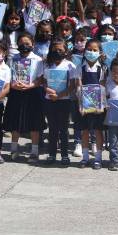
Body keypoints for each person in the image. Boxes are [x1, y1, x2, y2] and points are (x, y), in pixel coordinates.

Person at [3, 32, 45, 163]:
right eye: (21, 43)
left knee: (34, 123)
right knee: (15, 122)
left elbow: (40, 78)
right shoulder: (12, 58)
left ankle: (34, 151)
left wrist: (31, 86)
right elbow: (7, 75)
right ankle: (14, 149)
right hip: (16, 92)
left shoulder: (38, 60)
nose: (24, 46)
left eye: (27, 43)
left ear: (33, 44)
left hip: (33, 93)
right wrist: (12, 85)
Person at [42, 38, 78, 166]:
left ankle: (64, 155)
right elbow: (44, 81)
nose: (57, 52)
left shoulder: (70, 65)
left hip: (64, 100)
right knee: (52, 128)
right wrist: (48, 90)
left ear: (65, 51)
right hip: (50, 100)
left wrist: (60, 95)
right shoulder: (47, 65)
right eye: (55, 49)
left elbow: (73, 85)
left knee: (63, 129)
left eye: (60, 50)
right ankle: (51, 154)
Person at [75, 39, 107, 169]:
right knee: (85, 131)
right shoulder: (80, 67)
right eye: (89, 49)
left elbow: (103, 87)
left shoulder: (103, 68)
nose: (92, 52)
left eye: (95, 50)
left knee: (98, 131)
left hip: (98, 106)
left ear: (100, 53)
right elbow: (78, 87)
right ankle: (85, 157)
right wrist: (81, 105)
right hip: (84, 106)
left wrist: (100, 105)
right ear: (84, 51)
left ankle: (98, 158)